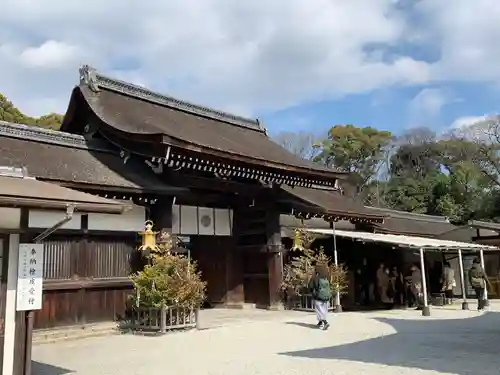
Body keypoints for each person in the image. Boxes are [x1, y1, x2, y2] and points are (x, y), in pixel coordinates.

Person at [309, 264, 332, 330]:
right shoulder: (326, 277)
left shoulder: (314, 278)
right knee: (324, 310)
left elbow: (310, 287)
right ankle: (320, 322)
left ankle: (325, 322)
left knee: (319, 310)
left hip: (318, 297)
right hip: (326, 297)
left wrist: (313, 293)